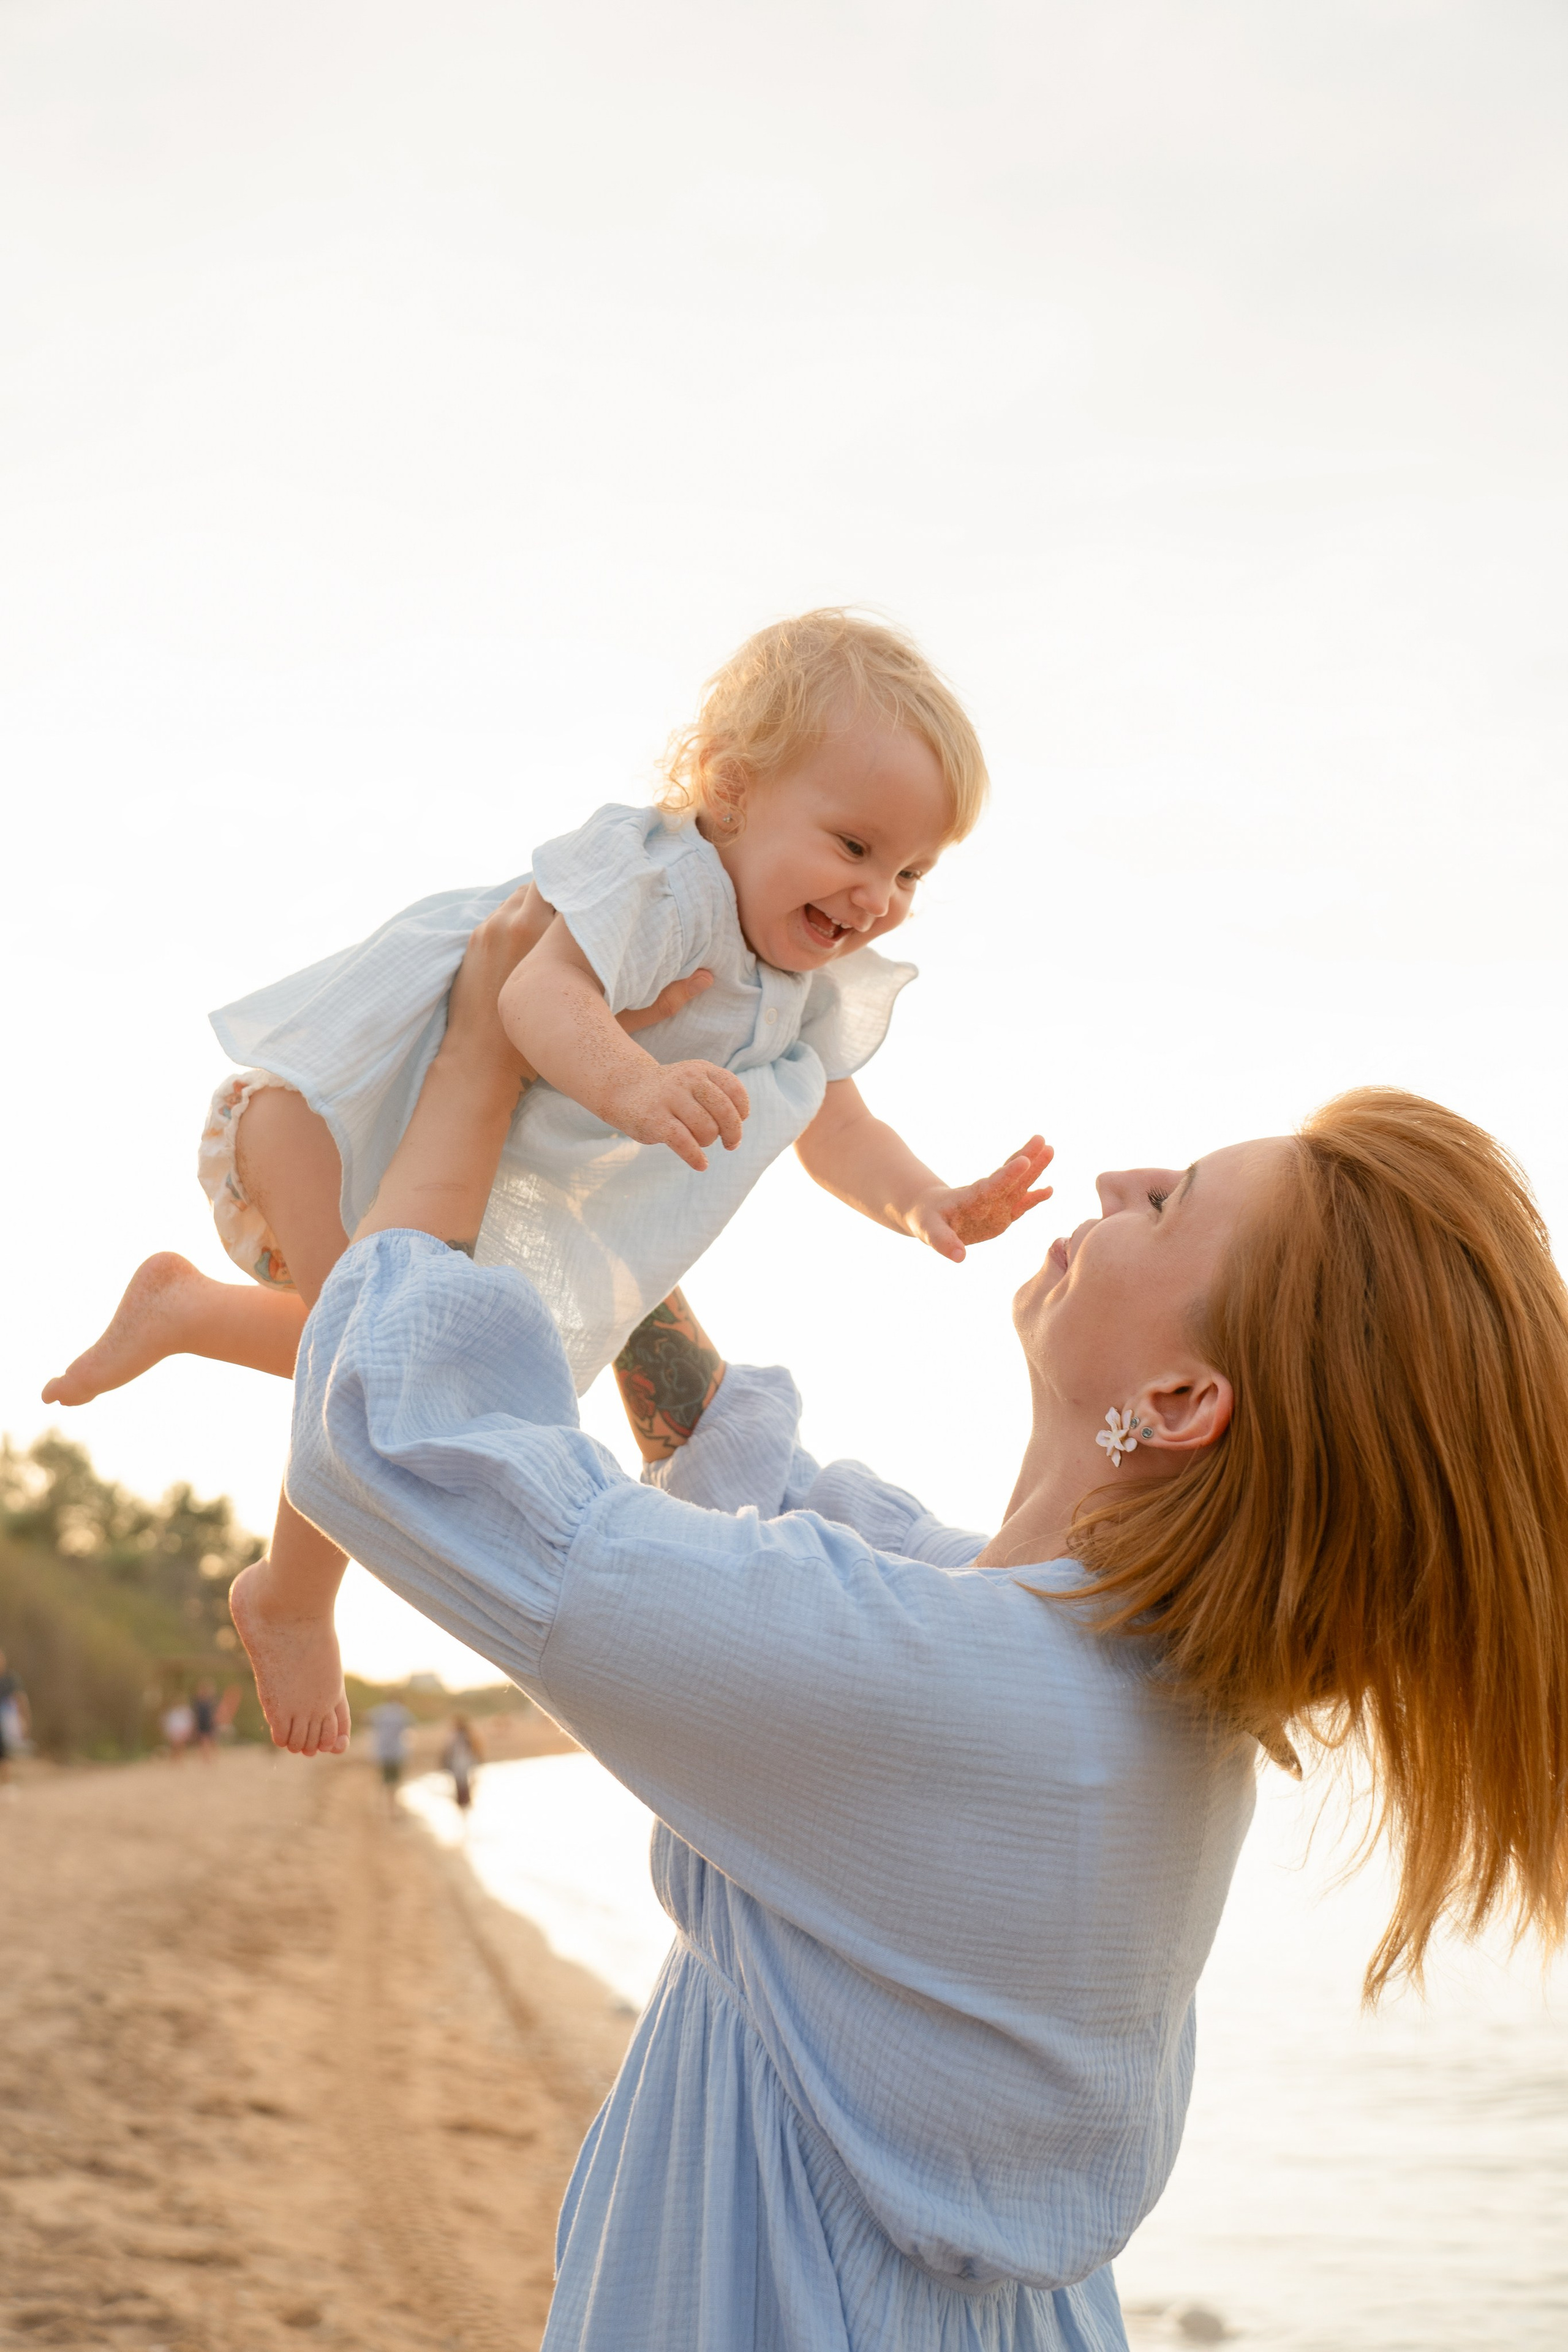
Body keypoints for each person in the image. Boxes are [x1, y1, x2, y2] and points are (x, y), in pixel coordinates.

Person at [258, 910, 1568, 2351]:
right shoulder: (1100, 1682)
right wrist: (590, 1170)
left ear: (1186, 1402)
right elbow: (761, 1495)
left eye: (1167, 1201)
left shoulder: (987, 1696)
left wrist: (474, 1060)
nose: (1121, 1175)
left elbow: (403, 1437)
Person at [43, 611, 1050, 1759]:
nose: (878, 896)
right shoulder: (667, 886)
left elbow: (841, 1126)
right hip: (331, 1125)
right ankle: (291, 1597)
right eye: (855, 846)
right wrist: (630, 1084)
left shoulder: (804, 984)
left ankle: (189, 1319)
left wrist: (926, 1202)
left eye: (912, 872)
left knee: (394, 1355)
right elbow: (536, 997)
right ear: (730, 787)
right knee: (382, 1371)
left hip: (431, 1177)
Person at [368, 1697, 413, 1814]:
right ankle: (391, 1808)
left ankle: (378, 1805)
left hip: (382, 1752)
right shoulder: (402, 1712)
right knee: (394, 1782)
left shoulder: (381, 1711)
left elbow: (368, 1720)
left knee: (382, 1779)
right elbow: (411, 1727)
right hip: (396, 1752)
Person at [441, 1715, 483, 1814]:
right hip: (461, 1762)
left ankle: (464, 1804)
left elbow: (475, 1748)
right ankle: (464, 1803)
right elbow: (448, 1750)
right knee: (462, 1782)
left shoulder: (462, 1735)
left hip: (463, 1762)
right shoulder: (459, 1735)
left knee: (462, 1782)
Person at [0, 1651, 30, 1781]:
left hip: (7, 1721)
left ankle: (6, 1781)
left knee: (5, 1752)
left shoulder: (11, 1679)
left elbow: (21, 1699)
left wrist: (24, 1719)